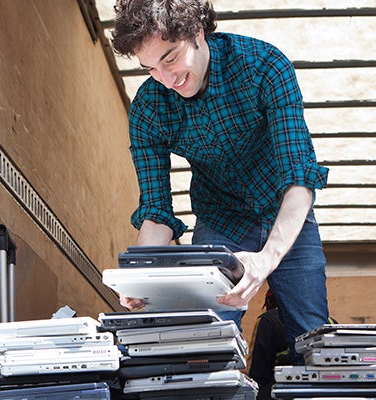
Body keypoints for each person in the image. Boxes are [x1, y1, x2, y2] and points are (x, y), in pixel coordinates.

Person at [111, 0, 329, 364]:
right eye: (150, 69)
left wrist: (266, 260)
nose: (166, 80)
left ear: (197, 31)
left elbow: (300, 177)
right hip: (219, 221)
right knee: (209, 336)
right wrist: (142, 275)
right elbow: (157, 210)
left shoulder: (264, 66)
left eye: (170, 58)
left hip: (285, 212)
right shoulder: (149, 108)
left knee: (313, 339)